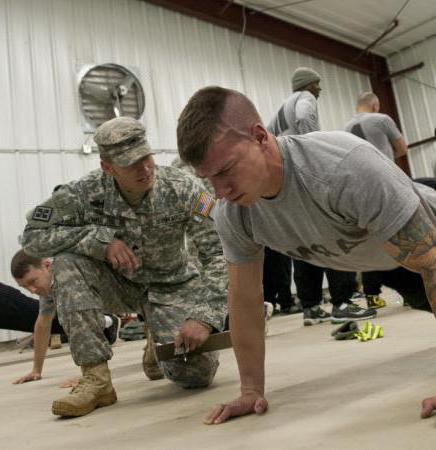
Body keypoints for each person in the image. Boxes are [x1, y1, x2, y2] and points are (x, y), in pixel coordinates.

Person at [176, 86, 436, 424]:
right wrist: (251, 390)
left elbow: (432, 261)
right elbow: (244, 299)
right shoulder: (234, 212)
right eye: (208, 179)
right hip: (391, 262)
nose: (220, 191)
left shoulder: (341, 166)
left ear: (259, 137)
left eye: (226, 170)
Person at [20, 116, 227, 418]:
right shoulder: (82, 194)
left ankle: (156, 340)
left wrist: (205, 316)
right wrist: (98, 241)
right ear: (107, 167)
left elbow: (220, 252)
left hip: (173, 285)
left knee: (195, 376)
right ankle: (96, 380)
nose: (144, 169)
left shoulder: (183, 188)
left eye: (146, 158)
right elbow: (32, 235)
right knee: (68, 263)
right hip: (118, 284)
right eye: (131, 164)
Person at [268, 67, 374, 325]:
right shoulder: (305, 99)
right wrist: (313, 151)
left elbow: (270, 137)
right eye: (317, 84)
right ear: (309, 85)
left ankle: (312, 307)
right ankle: (342, 302)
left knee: (304, 244)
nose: (320, 89)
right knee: (335, 233)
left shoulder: (282, 108)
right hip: (306, 174)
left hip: (288, 181)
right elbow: (306, 118)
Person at [8, 252, 119, 385]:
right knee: (151, 369)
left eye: (33, 281)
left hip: (137, 295)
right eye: (25, 286)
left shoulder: (69, 276)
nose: (31, 290)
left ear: (47, 265)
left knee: (74, 316)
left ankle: (94, 374)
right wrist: (36, 370)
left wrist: (91, 376)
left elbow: (83, 323)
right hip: (125, 303)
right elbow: (43, 324)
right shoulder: (49, 284)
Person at [345, 91, 409, 309]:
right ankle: (412, 291)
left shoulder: (345, 129)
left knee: (372, 239)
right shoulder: (382, 119)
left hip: (360, 191)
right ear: (375, 105)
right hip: (386, 185)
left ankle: (371, 294)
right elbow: (402, 148)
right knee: (403, 234)